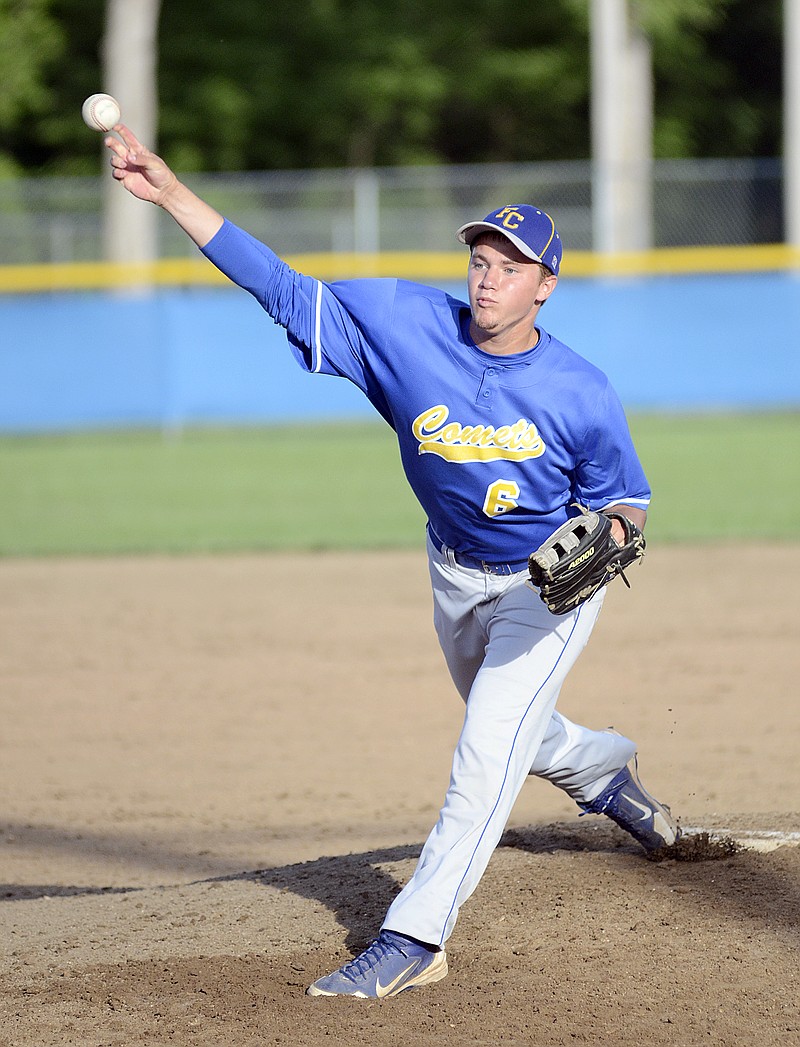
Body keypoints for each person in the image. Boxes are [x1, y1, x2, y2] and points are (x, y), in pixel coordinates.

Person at [105, 125, 680, 1000]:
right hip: (452, 573)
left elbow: (627, 498)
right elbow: (282, 289)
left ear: (546, 288)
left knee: (486, 749)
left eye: (513, 266)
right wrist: (172, 193)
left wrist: (615, 534)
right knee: (519, 729)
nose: (490, 277)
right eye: (483, 258)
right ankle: (602, 769)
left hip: (542, 591)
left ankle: (415, 934)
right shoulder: (405, 325)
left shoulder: (581, 390)